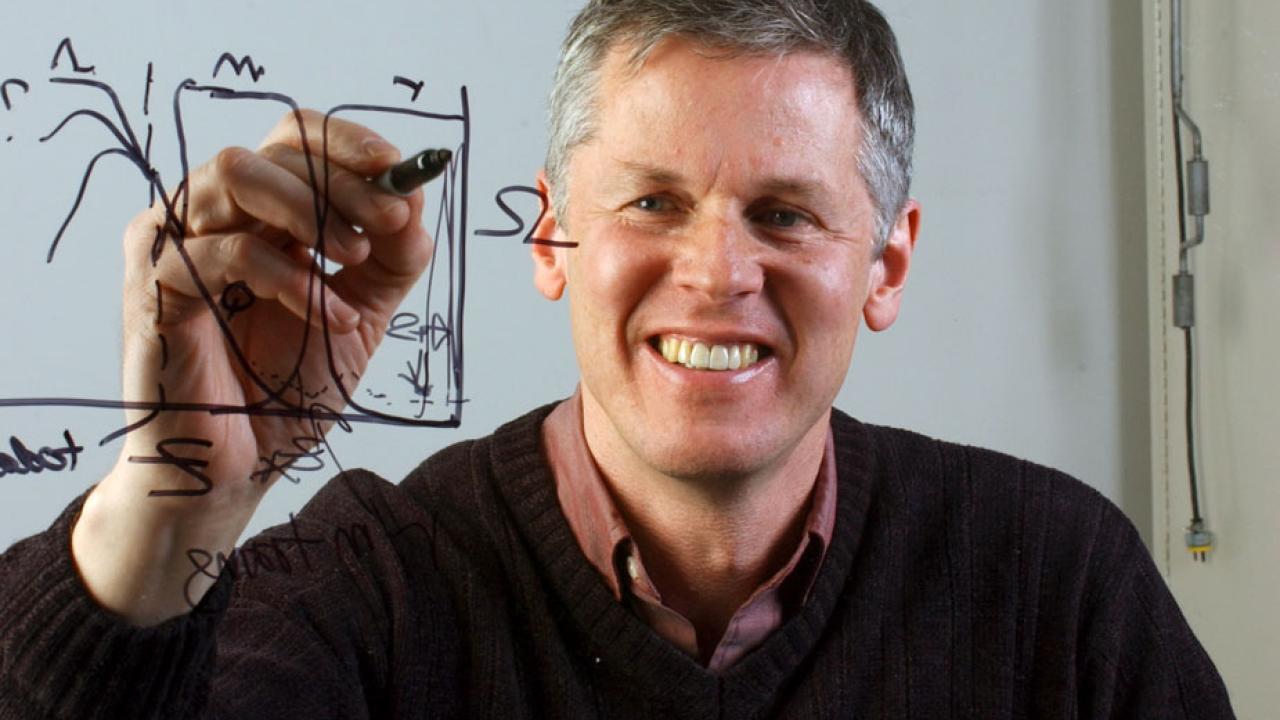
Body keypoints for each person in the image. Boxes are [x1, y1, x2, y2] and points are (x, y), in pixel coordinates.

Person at [0, 0, 1234, 717]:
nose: (713, 274)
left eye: (786, 214)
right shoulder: (369, 586)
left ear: (886, 267)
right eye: (649, 202)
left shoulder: (1053, 585)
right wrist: (177, 506)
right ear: (550, 235)